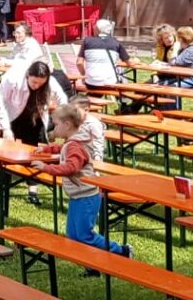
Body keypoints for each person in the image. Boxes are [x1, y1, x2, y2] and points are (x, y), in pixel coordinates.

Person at [34, 97, 130, 258]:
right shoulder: (72, 142)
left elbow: (72, 167)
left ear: (67, 125)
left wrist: (46, 168)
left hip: (87, 195)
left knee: (84, 235)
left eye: (56, 125)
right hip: (78, 195)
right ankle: (90, 262)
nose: (54, 129)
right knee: (73, 235)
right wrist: (48, 149)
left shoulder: (75, 145)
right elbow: (63, 148)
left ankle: (120, 251)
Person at [0, 58, 65, 147]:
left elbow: (63, 100)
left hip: (35, 118)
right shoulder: (12, 78)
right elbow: (0, 101)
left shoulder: (51, 82)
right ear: (28, 75)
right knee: (7, 146)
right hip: (13, 116)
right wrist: (5, 128)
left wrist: (62, 120)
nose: (37, 86)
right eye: (34, 82)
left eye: (41, 84)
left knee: (35, 148)